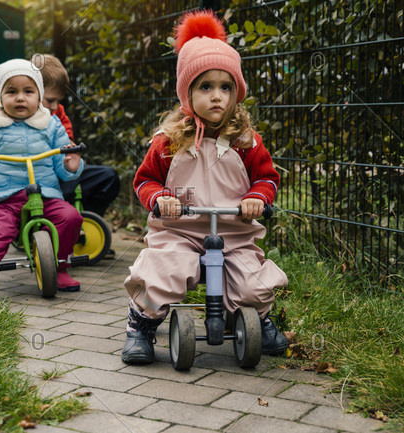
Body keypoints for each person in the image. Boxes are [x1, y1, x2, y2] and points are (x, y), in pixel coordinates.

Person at [121, 10, 289, 364]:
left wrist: (258, 198)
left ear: (236, 93)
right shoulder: (169, 142)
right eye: (206, 87)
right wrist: (160, 198)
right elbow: (144, 181)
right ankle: (142, 325)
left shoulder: (247, 142)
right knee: (161, 272)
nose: (217, 96)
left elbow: (266, 178)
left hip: (233, 231)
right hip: (180, 230)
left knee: (252, 284)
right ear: (187, 93)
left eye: (226, 87)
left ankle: (256, 318)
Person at [0, 59, 84, 294]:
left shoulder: (51, 125)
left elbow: (62, 167)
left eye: (28, 91)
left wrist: (72, 165)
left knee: (70, 216)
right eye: (11, 91)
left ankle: (60, 265)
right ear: (0, 97)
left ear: (39, 95)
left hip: (45, 195)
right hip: (4, 198)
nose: (20, 98)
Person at [30, 54, 120, 218]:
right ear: (32, 90)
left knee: (109, 177)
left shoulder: (58, 113)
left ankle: (86, 220)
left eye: (59, 100)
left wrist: (69, 150)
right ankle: (60, 218)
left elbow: (68, 143)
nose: (55, 106)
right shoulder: (18, 117)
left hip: (62, 173)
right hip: (35, 178)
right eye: (50, 100)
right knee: (67, 185)